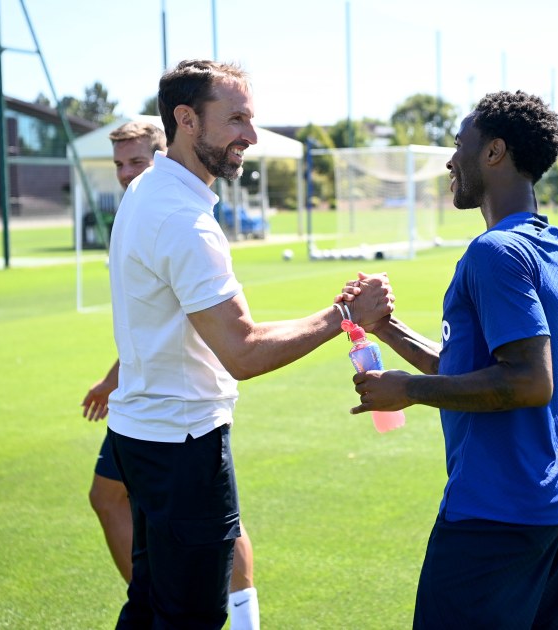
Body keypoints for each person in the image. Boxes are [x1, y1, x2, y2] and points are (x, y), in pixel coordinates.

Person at [105, 59, 393, 629]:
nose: (250, 136)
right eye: (235, 118)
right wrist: (344, 316)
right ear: (186, 119)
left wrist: (337, 314)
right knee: (188, 617)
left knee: (151, 606)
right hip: (183, 445)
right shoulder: (183, 219)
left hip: (147, 437)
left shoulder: (146, 189)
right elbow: (243, 352)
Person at [343, 91, 558, 629]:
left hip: (496, 512)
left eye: (460, 145)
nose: (451, 160)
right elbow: (481, 366)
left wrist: (407, 390)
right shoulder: (553, 249)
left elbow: (529, 381)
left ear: (494, 152)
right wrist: (389, 330)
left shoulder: (494, 252)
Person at [80, 119, 261, 629]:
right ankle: (156, 594)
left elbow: (222, 337)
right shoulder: (149, 205)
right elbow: (155, 320)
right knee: (119, 507)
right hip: (150, 413)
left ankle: (241, 619)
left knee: (215, 531)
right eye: (118, 164)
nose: (126, 173)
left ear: (163, 153)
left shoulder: (165, 210)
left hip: (172, 417)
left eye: (135, 160)